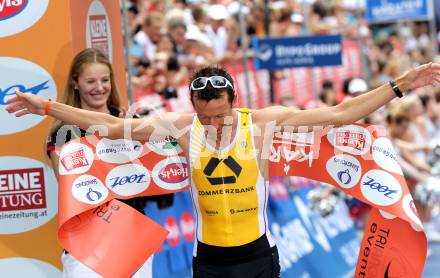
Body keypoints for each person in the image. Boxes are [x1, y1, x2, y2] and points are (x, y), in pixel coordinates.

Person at [6, 62, 440, 277]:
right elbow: (110, 125)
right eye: (205, 116)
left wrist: (403, 84)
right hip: (209, 260)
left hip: (257, 255)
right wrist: (45, 106)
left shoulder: (262, 123)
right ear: (193, 106)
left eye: (220, 115)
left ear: (234, 100)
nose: (213, 124)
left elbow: (341, 113)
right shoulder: (181, 127)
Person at [44, 48, 153, 278]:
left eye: (105, 80)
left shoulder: (130, 122)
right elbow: (71, 189)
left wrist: (128, 133)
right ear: (75, 83)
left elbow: (149, 177)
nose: (100, 87)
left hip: (133, 234)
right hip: (87, 241)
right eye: (90, 81)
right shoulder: (64, 132)